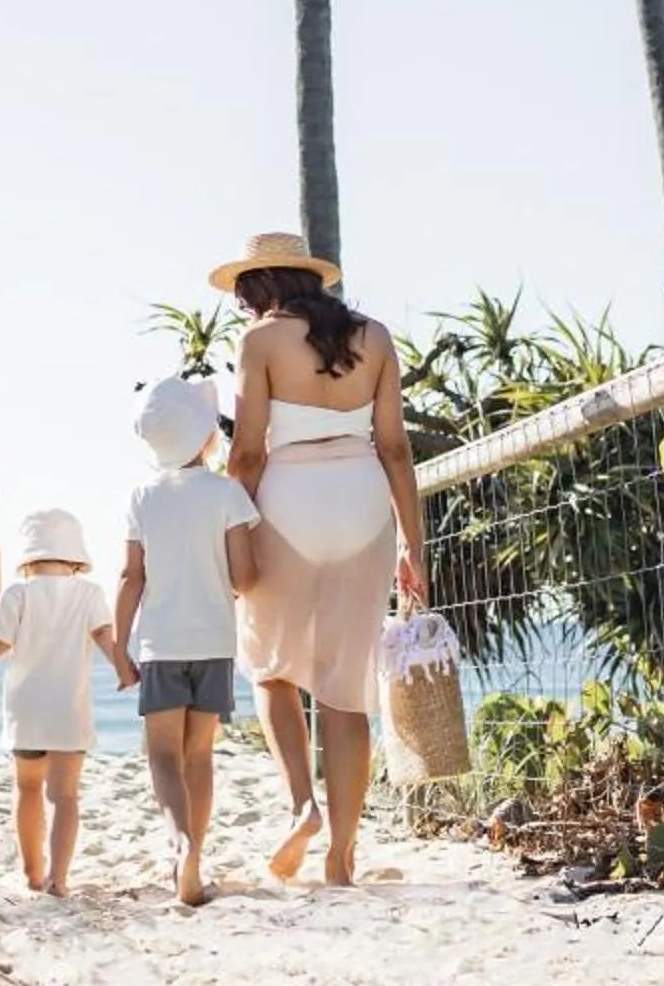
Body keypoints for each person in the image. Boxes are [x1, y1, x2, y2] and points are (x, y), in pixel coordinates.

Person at [218, 232, 425, 888]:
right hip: (364, 502)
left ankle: (303, 807)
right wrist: (411, 545)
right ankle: (342, 852)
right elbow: (395, 448)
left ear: (261, 286)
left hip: (287, 502)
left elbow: (247, 452)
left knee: (270, 667)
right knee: (344, 691)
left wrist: (226, 529)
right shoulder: (377, 336)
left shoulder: (260, 342)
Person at [115, 374, 260, 906]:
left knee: (162, 757)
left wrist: (117, 648)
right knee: (199, 756)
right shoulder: (227, 494)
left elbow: (132, 577)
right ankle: (193, 863)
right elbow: (245, 578)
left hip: (161, 646)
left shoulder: (142, 497)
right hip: (215, 644)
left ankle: (180, 844)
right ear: (205, 438)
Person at [0, 507, 134, 896]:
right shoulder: (89, 593)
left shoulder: (18, 593)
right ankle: (58, 880)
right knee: (64, 796)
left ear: (29, 556)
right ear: (75, 554)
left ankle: (32, 874)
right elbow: (106, 640)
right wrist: (125, 670)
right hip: (68, 709)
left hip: (25, 709)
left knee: (27, 790)